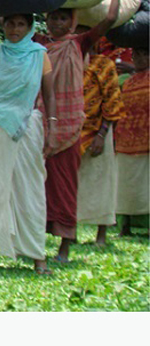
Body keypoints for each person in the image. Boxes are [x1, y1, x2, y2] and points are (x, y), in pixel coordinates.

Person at [35, 0, 121, 262]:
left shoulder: (78, 43)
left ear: (72, 22)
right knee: (39, 185)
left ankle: (64, 247)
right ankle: (37, 241)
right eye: (52, 19)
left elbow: (108, 20)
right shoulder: (39, 45)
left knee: (65, 185)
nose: (57, 24)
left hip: (70, 127)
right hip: (41, 124)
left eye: (62, 19)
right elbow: (9, 24)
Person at [0, 13, 57, 275]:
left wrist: (52, 125)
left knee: (30, 188)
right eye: (10, 23)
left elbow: (49, 93)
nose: (15, 28)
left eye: (21, 24)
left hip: (28, 127)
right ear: (2, 24)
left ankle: (37, 255)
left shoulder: (39, 54)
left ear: (30, 26)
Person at [76, 26, 123, 246]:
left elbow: (112, 101)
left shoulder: (105, 64)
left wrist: (102, 135)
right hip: (73, 131)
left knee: (102, 181)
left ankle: (101, 234)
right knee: (73, 184)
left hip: (99, 130)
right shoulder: (68, 60)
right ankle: (70, 231)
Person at [115, 47, 149, 236]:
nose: (140, 58)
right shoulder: (126, 83)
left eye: (145, 53)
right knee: (127, 185)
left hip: (147, 140)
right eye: (137, 54)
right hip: (126, 139)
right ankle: (125, 225)